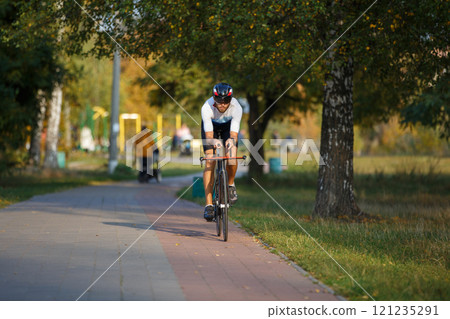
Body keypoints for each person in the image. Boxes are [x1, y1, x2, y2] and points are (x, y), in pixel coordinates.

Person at [201, 82, 243, 221]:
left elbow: (234, 134)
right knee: (210, 161)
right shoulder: (206, 107)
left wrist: (231, 141)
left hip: (227, 128)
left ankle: (230, 184)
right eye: (219, 100)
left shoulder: (236, 107)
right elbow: (208, 137)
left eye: (226, 101)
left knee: (232, 155)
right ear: (214, 98)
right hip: (210, 128)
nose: (223, 104)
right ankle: (208, 205)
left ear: (231, 99)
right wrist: (214, 141)